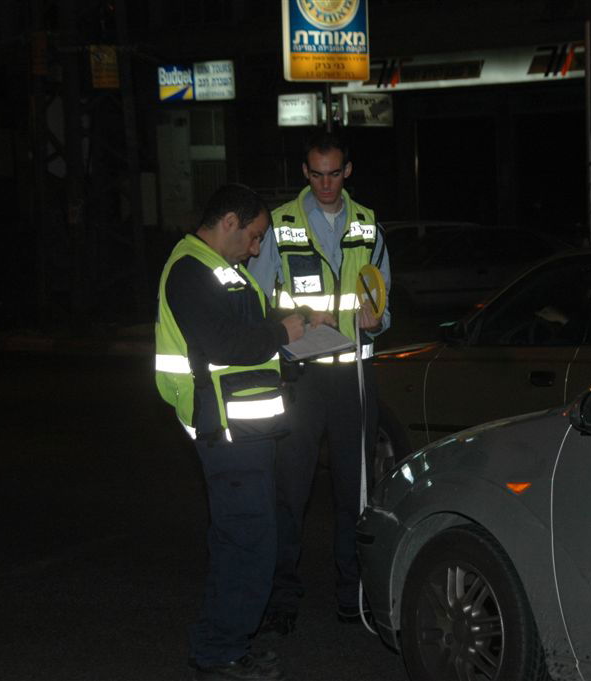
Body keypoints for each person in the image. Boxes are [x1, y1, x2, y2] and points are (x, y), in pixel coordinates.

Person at [154, 184, 330, 681]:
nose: (256, 249)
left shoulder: (221, 269)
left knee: (246, 540)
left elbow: (244, 324)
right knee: (246, 543)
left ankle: (226, 644)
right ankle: (220, 651)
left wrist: (297, 321)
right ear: (229, 221)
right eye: (253, 237)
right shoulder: (190, 269)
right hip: (225, 432)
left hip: (245, 430)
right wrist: (284, 333)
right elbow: (223, 341)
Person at [248, 131, 391, 635]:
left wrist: (378, 319)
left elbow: (381, 300)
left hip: (353, 377)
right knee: (291, 490)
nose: (326, 184)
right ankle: (282, 594)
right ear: (304, 173)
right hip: (302, 379)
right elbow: (259, 297)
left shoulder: (369, 224)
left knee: (356, 494)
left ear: (347, 171)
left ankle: (352, 595)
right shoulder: (281, 223)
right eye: (316, 174)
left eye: (334, 173)